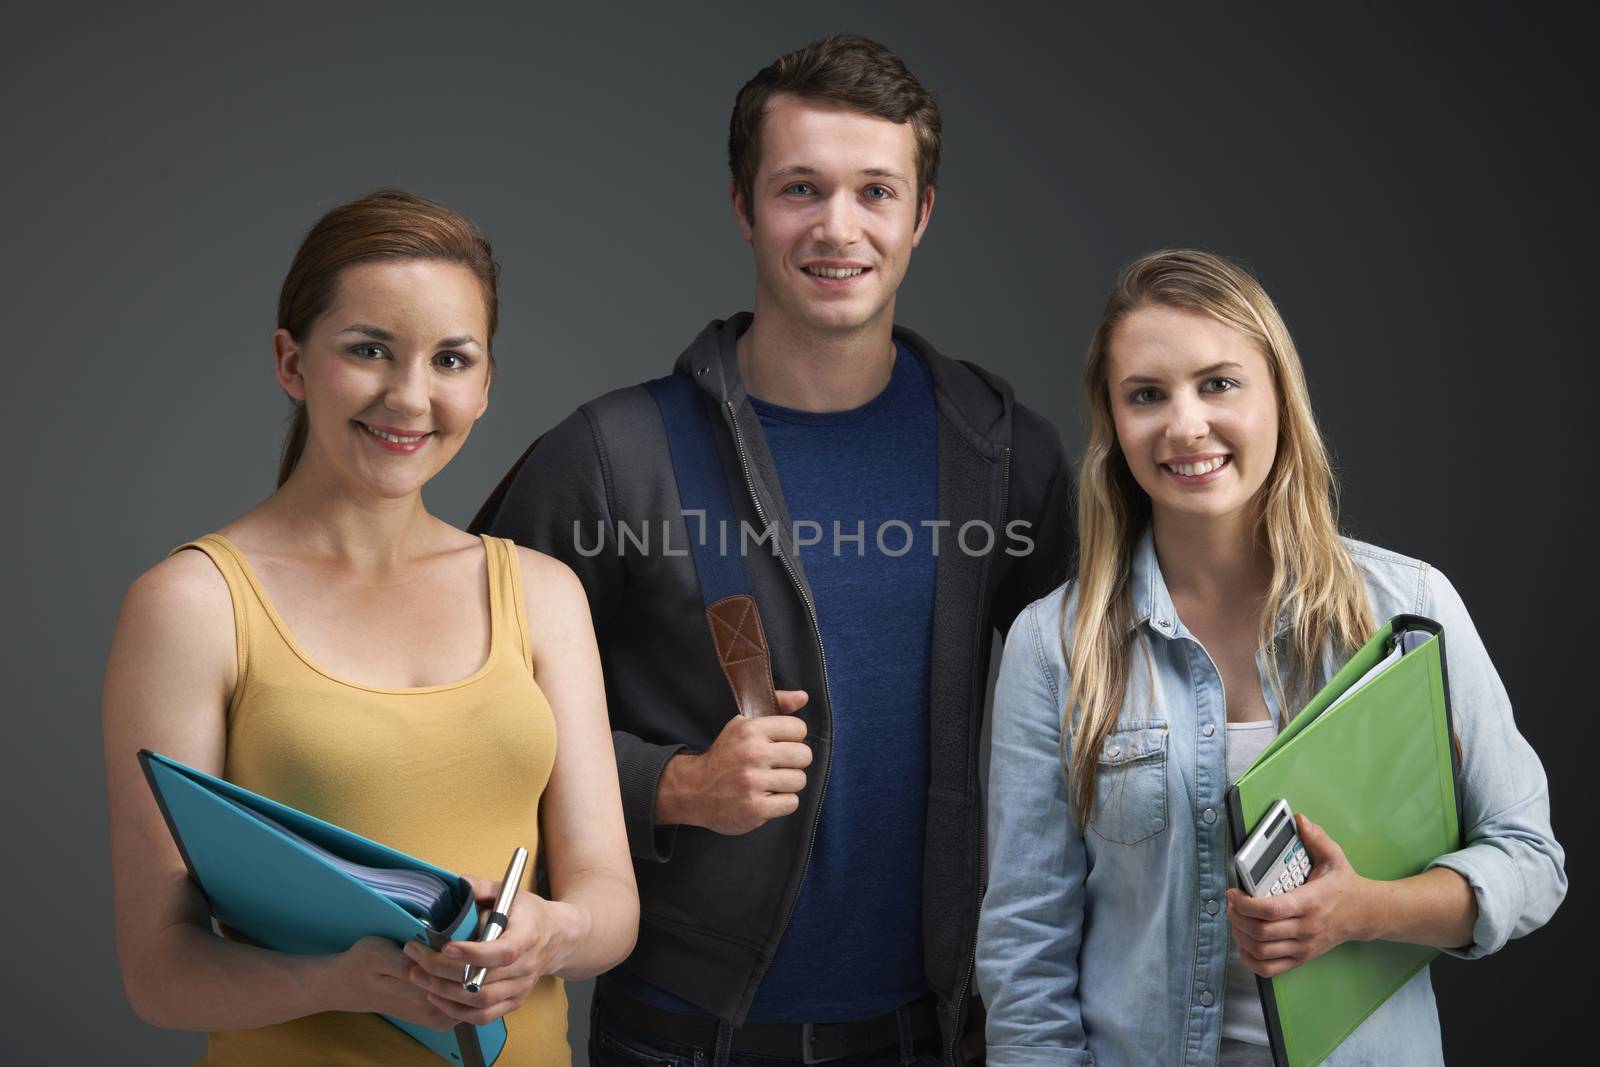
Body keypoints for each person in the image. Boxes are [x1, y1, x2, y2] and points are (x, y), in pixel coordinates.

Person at [471, 35, 1073, 1067]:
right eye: (801, 188)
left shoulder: (1009, 457)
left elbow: (1089, 729)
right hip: (683, 1037)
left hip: (950, 1036)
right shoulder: (615, 457)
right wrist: (672, 784)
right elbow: (462, 715)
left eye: (875, 191)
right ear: (744, 206)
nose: (838, 228)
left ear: (920, 214)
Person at [975, 249, 1566, 1065]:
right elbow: (1025, 952)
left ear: (1279, 398)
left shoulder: (1409, 608)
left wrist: (1364, 909)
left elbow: (1530, 860)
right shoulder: (1055, 645)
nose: (1185, 425)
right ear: (1112, 422)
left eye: (1219, 383)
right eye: (1147, 395)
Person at [102, 190, 638, 1067]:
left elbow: (610, 902)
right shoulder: (191, 603)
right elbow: (156, 968)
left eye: (452, 359)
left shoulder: (542, 593)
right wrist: (339, 981)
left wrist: (550, 935)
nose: (411, 397)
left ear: (488, 382)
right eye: (368, 351)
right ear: (291, 360)